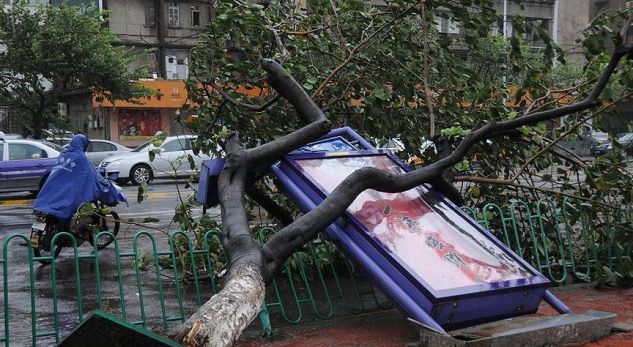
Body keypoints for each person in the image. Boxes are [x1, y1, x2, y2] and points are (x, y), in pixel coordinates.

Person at [33, 134, 126, 224]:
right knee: (80, 210)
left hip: (51, 192)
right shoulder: (81, 158)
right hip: (67, 193)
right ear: (82, 145)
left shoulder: (64, 154)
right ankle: (73, 231)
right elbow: (93, 175)